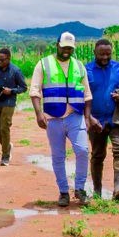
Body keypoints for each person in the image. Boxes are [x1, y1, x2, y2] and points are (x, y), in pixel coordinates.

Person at [30, 32, 94, 207]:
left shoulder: (79, 66)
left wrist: (87, 117)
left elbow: (87, 94)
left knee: (82, 151)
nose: (67, 51)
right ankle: (63, 192)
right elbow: (34, 91)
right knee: (58, 156)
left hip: (75, 115)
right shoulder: (44, 64)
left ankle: (80, 188)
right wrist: (39, 114)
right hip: (53, 118)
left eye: (70, 48)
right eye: (64, 47)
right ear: (57, 45)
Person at [86, 38, 119, 200]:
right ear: (94, 52)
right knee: (97, 155)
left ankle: (118, 188)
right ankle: (97, 190)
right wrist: (89, 118)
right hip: (96, 120)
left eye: (108, 54)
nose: (105, 57)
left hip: (117, 118)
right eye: (101, 54)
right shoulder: (86, 70)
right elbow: (80, 95)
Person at [0, 48, 27, 166]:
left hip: (9, 101)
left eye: (2, 60)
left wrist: (11, 91)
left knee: (4, 127)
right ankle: (7, 146)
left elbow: (23, 87)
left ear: (8, 59)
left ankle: (5, 156)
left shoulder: (15, 71)